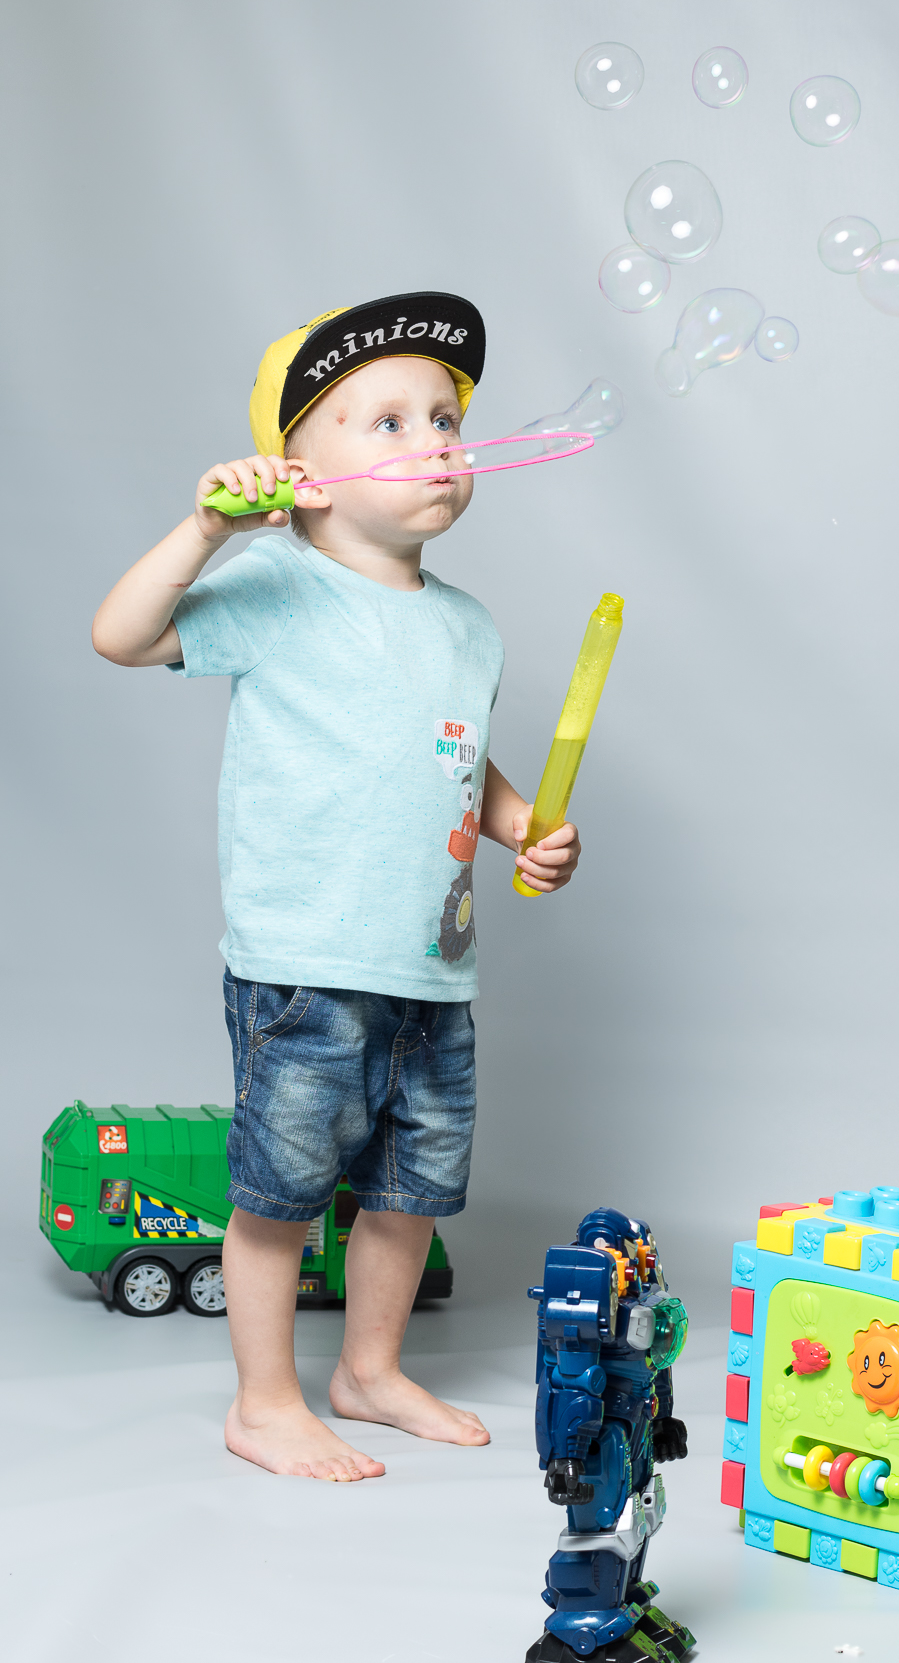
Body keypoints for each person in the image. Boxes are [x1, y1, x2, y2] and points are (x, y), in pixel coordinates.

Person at [92, 292, 581, 1481]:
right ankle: (264, 1402)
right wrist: (204, 529)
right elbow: (121, 633)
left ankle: (369, 1369)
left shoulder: (469, 626)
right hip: (305, 965)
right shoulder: (274, 583)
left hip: (432, 966)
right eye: (389, 422)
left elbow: (458, 754)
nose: (437, 441)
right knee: (279, 1197)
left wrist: (525, 828)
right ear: (304, 476)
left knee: (409, 1193)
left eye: (446, 418)